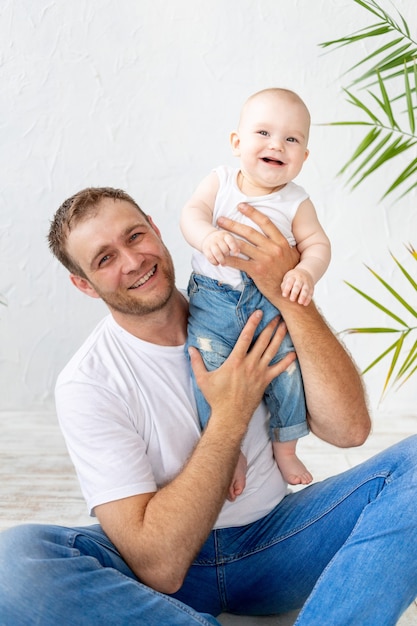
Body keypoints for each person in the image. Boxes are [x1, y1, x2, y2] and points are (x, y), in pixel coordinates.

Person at [1, 187, 417, 626]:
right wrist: (230, 414)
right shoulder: (88, 381)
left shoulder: (242, 308)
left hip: (278, 540)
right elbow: (159, 566)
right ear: (83, 284)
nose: (133, 261)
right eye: (105, 259)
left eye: (135, 236)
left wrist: (286, 294)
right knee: (15, 564)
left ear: (158, 232)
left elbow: (348, 430)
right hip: (165, 574)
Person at [181, 88, 331, 493]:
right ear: (237, 143)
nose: (276, 145)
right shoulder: (221, 181)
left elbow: (318, 244)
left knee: (285, 369)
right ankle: (230, 450)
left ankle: (286, 445)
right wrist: (206, 235)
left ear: (303, 157)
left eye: (292, 139)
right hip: (214, 297)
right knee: (205, 369)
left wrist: (306, 272)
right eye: (263, 132)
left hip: (268, 304)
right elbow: (191, 213)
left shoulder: (296, 202)